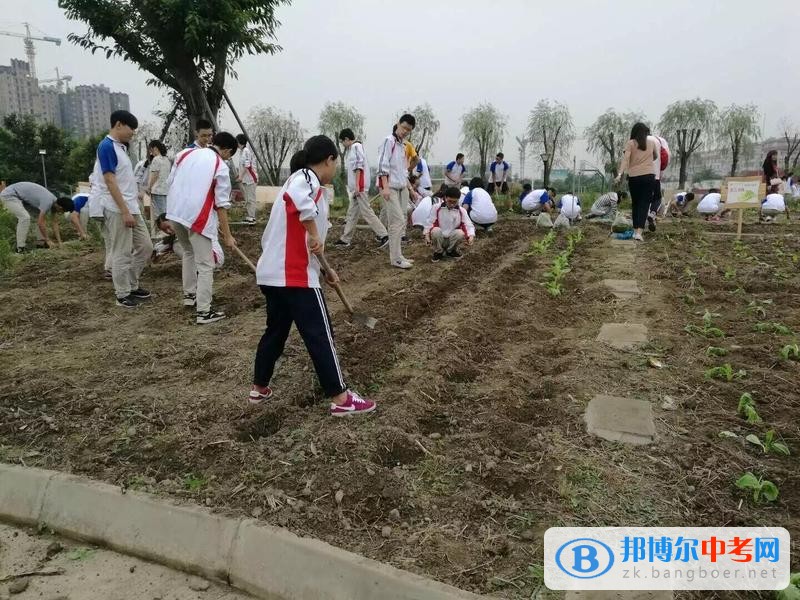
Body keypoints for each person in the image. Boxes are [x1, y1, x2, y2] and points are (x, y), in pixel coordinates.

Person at [251, 135, 376, 417]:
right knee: (321, 335)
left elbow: (300, 239)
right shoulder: (305, 178)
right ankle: (342, 398)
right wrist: (315, 233)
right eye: (336, 163)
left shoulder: (306, 185)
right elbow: (302, 205)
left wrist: (325, 269)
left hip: (273, 275)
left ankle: (259, 388)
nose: (335, 169)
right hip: (293, 276)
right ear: (329, 160)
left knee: (276, 332)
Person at [166, 132, 238, 324]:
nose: (228, 159)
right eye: (230, 156)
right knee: (206, 265)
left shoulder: (185, 154)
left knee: (189, 253)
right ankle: (204, 312)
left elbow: (170, 182)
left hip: (174, 212)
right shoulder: (220, 166)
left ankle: (190, 296)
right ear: (228, 151)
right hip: (196, 217)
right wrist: (228, 236)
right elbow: (221, 204)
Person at [93, 110, 153, 308]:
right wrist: (124, 210)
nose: (132, 133)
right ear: (119, 124)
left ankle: (132, 284)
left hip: (131, 206)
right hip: (117, 208)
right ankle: (122, 293)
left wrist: (133, 205)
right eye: (131, 129)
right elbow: (110, 181)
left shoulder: (122, 148)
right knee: (122, 252)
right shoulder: (106, 146)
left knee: (145, 246)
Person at [334, 128, 388, 248]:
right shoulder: (356, 148)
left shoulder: (355, 147)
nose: (343, 144)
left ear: (347, 139)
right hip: (357, 188)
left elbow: (359, 167)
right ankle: (345, 239)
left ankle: (384, 235)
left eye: (343, 142)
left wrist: (358, 186)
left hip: (360, 187)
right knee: (352, 213)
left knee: (367, 212)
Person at [377, 113, 416, 269]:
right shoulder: (389, 141)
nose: (405, 131)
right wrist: (385, 187)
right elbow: (382, 165)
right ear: (398, 124)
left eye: (408, 129)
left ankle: (398, 255)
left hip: (401, 186)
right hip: (390, 187)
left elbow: (403, 170)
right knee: (397, 221)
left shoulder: (403, 145)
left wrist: (409, 188)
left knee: (401, 220)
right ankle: (395, 259)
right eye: (404, 127)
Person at [0, 182, 76, 252]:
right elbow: (40, 223)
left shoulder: (55, 202)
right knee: (25, 218)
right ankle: (20, 248)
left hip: (22, 198)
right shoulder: (48, 201)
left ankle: (40, 243)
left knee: (38, 217)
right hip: (10, 195)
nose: (61, 213)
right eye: (62, 211)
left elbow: (55, 223)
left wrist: (60, 242)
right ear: (60, 207)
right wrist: (48, 239)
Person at [615, 123, 658, 241]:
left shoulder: (630, 143)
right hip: (649, 176)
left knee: (636, 203)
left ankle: (634, 231)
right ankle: (639, 233)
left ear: (634, 132)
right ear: (645, 133)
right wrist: (647, 161)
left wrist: (620, 174)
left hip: (634, 177)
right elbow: (655, 156)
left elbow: (625, 159)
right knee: (645, 204)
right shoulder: (652, 143)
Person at [424, 186, 475, 262]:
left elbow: (468, 225)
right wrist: (427, 236)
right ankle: (439, 252)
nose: (452, 204)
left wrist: (471, 236)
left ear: (458, 200)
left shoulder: (461, 211)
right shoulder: (436, 207)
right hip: (439, 238)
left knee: (460, 233)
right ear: (445, 198)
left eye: (455, 202)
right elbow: (430, 223)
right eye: (450, 201)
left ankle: (451, 251)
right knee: (435, 230)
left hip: (452, 239)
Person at [145, 140, 171, 230]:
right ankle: (168, 231)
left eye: (151, 150)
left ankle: (162, 231)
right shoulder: (167, 160)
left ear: (155, 148)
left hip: (157, 190)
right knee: (165, 212)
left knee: (159, 214)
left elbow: (155, 175)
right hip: (165, 190)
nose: (150, 152)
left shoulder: (156, 159)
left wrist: (149, 187)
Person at [236, 134, 259, 224]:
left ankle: (252, 217)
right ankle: (250, 216)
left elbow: (247, 166)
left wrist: (240, 177)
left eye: (237, 141)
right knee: (248, 199)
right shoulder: (242, 152)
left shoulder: (246, 151)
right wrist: (239, 176)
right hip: (246, 179)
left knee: (251, 198)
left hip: (251, 179)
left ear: (240, 142)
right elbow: (242, 167)